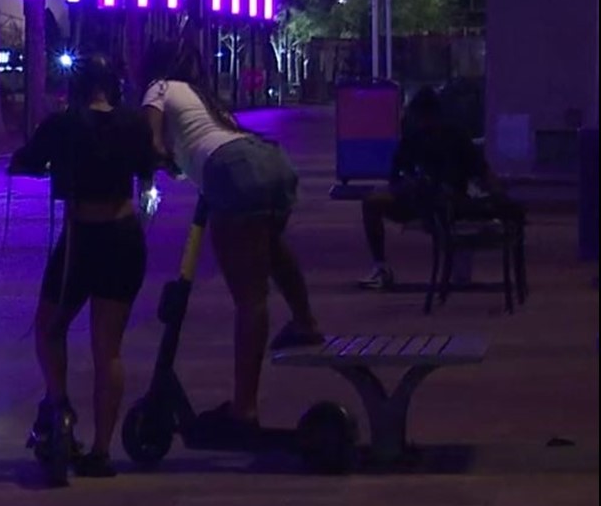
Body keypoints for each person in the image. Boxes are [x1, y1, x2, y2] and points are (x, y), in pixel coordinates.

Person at [141, 38, 323, 436]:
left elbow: (151, 141)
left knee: (249, 297)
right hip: (269, 160)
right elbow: (204, 139)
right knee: (270, 247)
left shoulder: (158, 88)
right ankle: (305, 320)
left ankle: (245, 409)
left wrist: (149, 167)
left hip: (232, 172)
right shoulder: (204, 99)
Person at [9, 54, 160, 478]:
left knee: (49, 326)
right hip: (124, 234)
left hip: (82, 237)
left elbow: (26, 161)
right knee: (107, 349)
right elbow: (148, 172)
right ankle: (101, 450)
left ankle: (59, 405)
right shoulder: (133, 124)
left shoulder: (63, 124)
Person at [358, 87, 513, 289]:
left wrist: (498, 200)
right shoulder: (421, 138)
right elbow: (397, 176)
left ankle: (381, 266)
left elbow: (481, 172)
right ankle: (381, 267)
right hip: (424, 199)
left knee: (375, 202)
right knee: (372, 202)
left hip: (446, 201)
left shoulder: (450, 136)